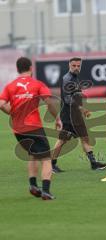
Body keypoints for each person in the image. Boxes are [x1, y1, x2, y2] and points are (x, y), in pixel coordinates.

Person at [0, 57, 62, 200]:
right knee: (46, 158)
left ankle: (33, 185)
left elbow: (1, 103)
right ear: (31, 68)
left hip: (18, 130)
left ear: (17, 69)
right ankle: (46, 191)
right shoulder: (37, 84)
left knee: (33, 154)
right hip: (34, 127)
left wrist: (12, 111)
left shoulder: (10, 86)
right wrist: (57, 118)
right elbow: (49, 102)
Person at [52, 57, 106, 172]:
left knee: (83, 138)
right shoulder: (67, 79)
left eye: (78, 66)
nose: (76, 68)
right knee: (63, 140)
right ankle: (51, 165)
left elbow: (75, 97)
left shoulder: (75, 78)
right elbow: (67, 100)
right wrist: (81, 108)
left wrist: (81, 108)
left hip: (75, 114)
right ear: (69, 65)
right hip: (69, 116)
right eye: (74, 66)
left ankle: (93, 163)